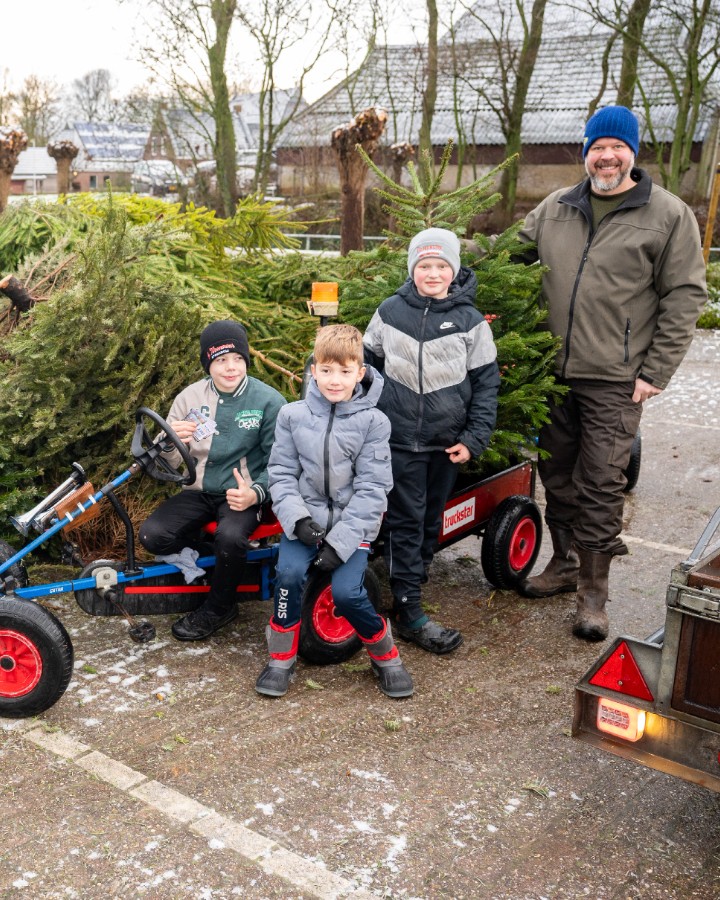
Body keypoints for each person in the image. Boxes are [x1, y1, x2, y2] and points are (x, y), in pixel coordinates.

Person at [516, 105, 707, 641]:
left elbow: (686, 296)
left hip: (617, 378)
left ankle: (593, 598)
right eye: (597, 147)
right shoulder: (556, 207)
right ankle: (565, 563)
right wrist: (440, 261)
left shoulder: (667, 215)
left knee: (601, 482)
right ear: (585, 153)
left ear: (633, 152)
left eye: (616, 147)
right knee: (556, 473)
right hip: (553, 373)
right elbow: (509, 255)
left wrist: (656, 372)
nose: (606, 156)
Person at [255, 323, 413, 699]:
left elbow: (373, 489)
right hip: (304, 523)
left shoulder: (374, 423)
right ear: (314, 370)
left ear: (360, 373)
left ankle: (386, 655)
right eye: (326, 370)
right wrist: (297, 519)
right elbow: (280, 473)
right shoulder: (292, 417)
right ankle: (281, 657)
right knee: (289, 575)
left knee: (346, 593)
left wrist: (340, 544)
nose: (334, 380)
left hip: (351, 529)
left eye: (345, 371)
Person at [363, 228, 500, 654]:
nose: (433, 273)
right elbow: (364, 369)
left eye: (442, 266)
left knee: (428, 521)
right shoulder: (388, 313)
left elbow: (487, 386)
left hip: (446, 445)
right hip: (399, 441)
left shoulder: (470, 323)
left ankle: (411, 584)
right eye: (425, 266)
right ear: (413, 270)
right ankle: (409, 611)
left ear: (454, 271)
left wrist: (474, 439)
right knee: (407, 520)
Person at [139, 320, 285, 641]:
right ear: (208, 363)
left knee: (231, 537)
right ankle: (222, 567)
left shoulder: (269, 401)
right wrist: (168, 440)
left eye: (237, 359)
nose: (231, 368)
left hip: (241, 495)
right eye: (220, 360)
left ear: (246, 359)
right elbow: (173, 463)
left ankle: (220, 607)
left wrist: (256, 494)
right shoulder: (190, 398)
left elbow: (283, 463)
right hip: (198, 490)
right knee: (152, 536)